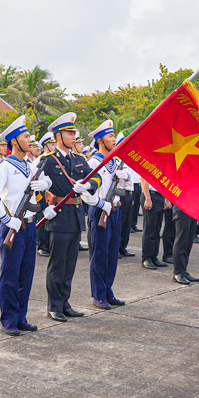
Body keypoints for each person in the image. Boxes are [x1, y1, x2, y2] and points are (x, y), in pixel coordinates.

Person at [0, 116, 55, 335]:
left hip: (31, 226)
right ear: (14, 141)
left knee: (26, 274)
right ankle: (9, 319)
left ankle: (21, 316)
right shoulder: (4, 166)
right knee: (10, 275)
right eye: (25, 137)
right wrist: (7, 220)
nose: (30, 140)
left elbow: (41, 187)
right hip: (14, 226)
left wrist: (46, 185)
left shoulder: (30, 165)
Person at [37, 113, 91, 322]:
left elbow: (93, 176)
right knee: (58, 264)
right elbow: (35, 185)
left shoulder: (78, 159)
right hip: (58, 216)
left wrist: (88, 185)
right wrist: (44, 208)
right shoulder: (48, 161)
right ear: (58, 136)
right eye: (69, 133)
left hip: (75, 215)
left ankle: (65, 302)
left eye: (74, 133)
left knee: (70, 264)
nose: (73, 136)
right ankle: (55, 305)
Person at [84, 120, 128, 309]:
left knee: (111, 254)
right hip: (101, 210)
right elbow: (86, 192)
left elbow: (125, 183)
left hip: (115, 210)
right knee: (100, 254)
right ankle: (98, 294)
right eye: (110, 136)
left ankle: (108, 290)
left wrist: (125, 177)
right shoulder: (94, 161)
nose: (113, 139)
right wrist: (103, 204)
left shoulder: (115, 161)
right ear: (101, 139)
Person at [36, 132, 56, 257]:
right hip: (42, 195)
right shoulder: (41, 160)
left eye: (55, 144)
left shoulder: (55, 158)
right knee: (42, 220)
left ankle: (49, 244)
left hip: (53, 194)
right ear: (45, 146)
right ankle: (42, 246)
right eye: (52, 144)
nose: (54, 146)